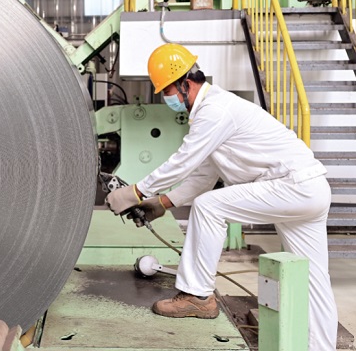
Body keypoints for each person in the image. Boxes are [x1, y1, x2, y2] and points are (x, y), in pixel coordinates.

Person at [105, 43, 338, 350]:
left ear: (186, 84)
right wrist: (161, 203)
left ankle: (198, 296)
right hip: (310, 190)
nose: (166, 99)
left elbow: (183, 161)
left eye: (167, 91)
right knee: (314, 280)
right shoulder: (216, 110)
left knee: (209, 207)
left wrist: (135, 192)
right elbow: (204, 175)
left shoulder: (214, 111)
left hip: (292, 187)